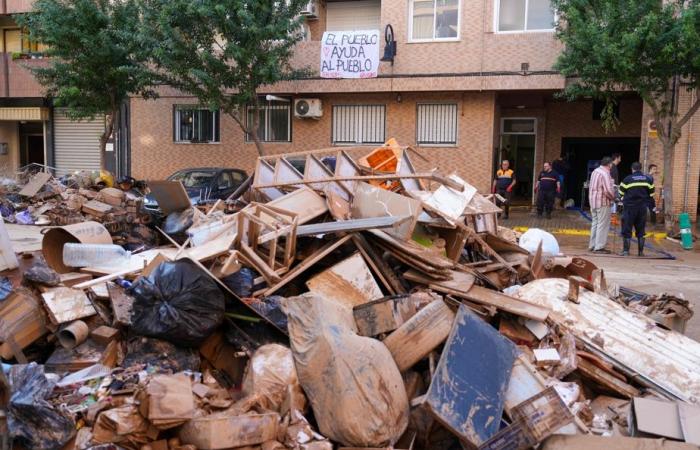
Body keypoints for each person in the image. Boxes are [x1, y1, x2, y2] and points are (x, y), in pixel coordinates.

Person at [619, 162, 655, 256]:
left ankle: (626, 251)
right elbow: (651, 195)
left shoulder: (627, 179)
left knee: (627, 228)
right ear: (641, 169)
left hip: (629, 208)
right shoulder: (648, 180)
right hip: (642, 208)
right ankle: (640, 252)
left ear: (632, 169)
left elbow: (620, 193)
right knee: (641, 229)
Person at [588, 157, 616, 253]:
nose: (612, 166)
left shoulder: (595, 171)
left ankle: (592, 245)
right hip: (603, 202)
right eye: (611, 164)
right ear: (609, 164)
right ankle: (599, 247)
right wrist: (614, 198)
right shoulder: (605, 173)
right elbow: (608, 190)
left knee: (595, 223)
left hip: (593, 202)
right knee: (602, 225)